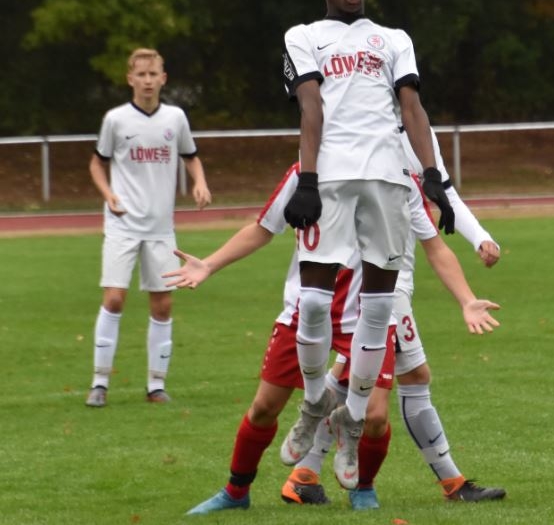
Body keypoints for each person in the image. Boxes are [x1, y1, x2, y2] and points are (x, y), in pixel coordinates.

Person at [165, 153, 500, 514]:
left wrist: (466, 300)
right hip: (304, 310)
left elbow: (435, 246)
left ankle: (363, 490)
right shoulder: (303, 174)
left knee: (374, 417)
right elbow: (262, 229)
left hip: (369, 315)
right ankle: (236, 492)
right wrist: (209, 264)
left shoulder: (400, 179)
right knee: (264, 408)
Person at [280, 0, 456, 490]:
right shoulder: (304, 36)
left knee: (377, 309)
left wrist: (433, 176)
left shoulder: (394, 39)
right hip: (331, 178)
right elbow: (310, 107)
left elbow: (412, 107)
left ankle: (351, 421)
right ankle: (315, 403)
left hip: (386, 180)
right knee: (312, 302)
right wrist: (307, 179)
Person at [287, 130, 505, 510]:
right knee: (376, 404)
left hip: (388, 283)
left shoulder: (413, 146)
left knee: (364, 375)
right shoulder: (357, 138)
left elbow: (440, 209)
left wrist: (478, 244)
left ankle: (304, 474)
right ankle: (366, 486)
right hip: (378, 290)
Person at [85, 48, 211, 408]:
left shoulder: (175, 118)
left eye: (153, 74)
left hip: (160, 227)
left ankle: (156, 386)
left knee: (163, 305)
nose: (147, 80)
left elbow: (191, 157)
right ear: (130, 79)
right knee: (114, 298)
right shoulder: (116, 120)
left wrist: (200, 182)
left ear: (163, 78)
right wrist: (108, 194)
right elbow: (96, 164)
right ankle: (99, 383)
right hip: (122, 224)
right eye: (141, 74)